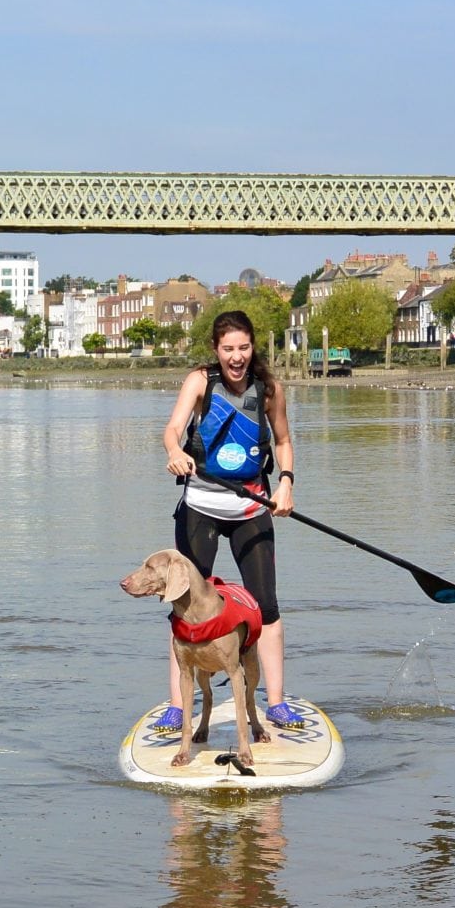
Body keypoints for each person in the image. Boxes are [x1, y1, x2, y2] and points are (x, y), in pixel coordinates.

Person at [155, 310, 305, 731]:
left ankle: (275, 702)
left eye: (243, 348)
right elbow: (172, 429)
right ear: (216, 350)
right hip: (200, 506)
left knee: (266, 607)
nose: (236, 357)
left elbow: (283, 441)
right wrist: (174, 452)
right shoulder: (201, 382)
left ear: (253, 346)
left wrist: (286, 485)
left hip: (250, 509)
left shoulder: (270, 389)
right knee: (184, 607)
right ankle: (177, 705)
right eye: (228, 349)